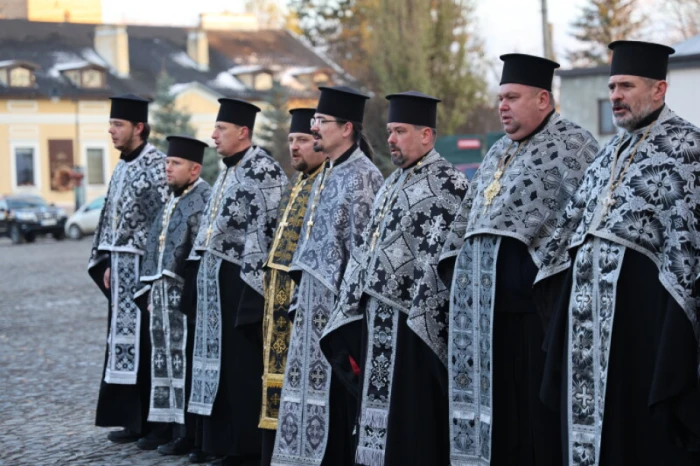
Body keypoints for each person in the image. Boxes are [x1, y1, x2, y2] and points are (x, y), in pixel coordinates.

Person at [537, 41, 700, 466]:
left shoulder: (688, 149)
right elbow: (571, 230)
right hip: (588, 328)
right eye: (612, 86)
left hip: (646, 326)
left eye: (626, 85)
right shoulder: (609, 152)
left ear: (659, 90)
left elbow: (687, 250)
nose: (615, 96)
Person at [437, 54, 600, 466]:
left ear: (543, 98)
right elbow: (468, 224)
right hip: (486, 323)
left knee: (537, 428)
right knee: (502, 429)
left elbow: (574, 232)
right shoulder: (496, 154)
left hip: (539, 320)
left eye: (512, 97)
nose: (502, 106)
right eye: (500, 99)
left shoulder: (575, 146)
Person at [321, 91, 469, 466]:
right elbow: (368, 250)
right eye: (389, 131)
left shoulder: (448, 184)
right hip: (378, 320)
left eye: (400, 131)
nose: (390, 139)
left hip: (416, 326)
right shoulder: (391, 184)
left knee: (413, 418)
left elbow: (444, 261)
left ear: (426, 135)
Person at [271, 86, 384, 466]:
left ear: (346, 128)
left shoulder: (364, 177)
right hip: (311, 310)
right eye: (314, 121)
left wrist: (346, 317)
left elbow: (362, 255)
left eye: (321, 121)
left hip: (338, 314)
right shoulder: (326, 173)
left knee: (336, 403)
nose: (314, 127)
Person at [185, 98, 287, 466]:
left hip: (243, 283)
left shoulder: (264, 171)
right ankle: (212, 440)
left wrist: (251, 287)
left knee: (240, 366)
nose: (213, 136)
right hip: (216, 280)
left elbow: (266, 231)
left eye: (221, 130)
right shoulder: (228, 170)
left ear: (242, 132)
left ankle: (242, 447)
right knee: (214, 362)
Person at [88, 93, 169, 444]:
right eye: (110, 124)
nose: (111, 131)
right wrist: (106, 259)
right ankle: (132, 420)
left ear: (139, 127)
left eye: (117, 124)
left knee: (149, 345)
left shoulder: (157, 166)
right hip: (120, 271)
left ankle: (154, 424)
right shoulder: (122, 165)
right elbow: (111, 218)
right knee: (124, 344)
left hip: (144, 274)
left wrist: (152, 270)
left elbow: (164, 223)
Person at [133, 136, 212, 453]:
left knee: (185, 363)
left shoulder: (202, 198)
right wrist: (152, 288)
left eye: (175, 163)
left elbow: (195, 253)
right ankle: (163, 425)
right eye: (167, 162)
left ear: (194, 169)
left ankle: (186, 432)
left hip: (185, 299)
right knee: (162, 361)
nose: (167, 168)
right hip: (162, 296)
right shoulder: (174, 198)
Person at [260, 108, 328, 466]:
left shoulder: (325, 182)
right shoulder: (296, 182)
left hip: (303, 298)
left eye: (302, 139)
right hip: (276, 296)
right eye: (290, 140)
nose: (295, 147)